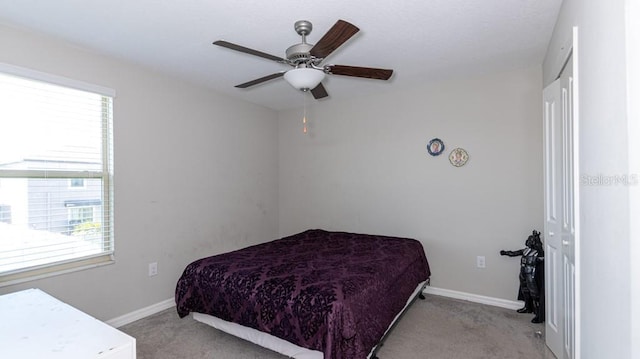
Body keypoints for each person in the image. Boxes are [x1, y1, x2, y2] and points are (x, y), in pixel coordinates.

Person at [500, 230, 545, 323]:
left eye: (530, 240)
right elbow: (514, 253)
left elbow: (541, 252)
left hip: (531, 274)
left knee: (534, 294)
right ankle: (527, 307)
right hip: (523, 273)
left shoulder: (538, 253)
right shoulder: (525, 251)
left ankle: (538, 314)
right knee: (525, 291)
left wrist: (536, 237)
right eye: (528, 239)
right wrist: (505, 253)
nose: (528, 241)